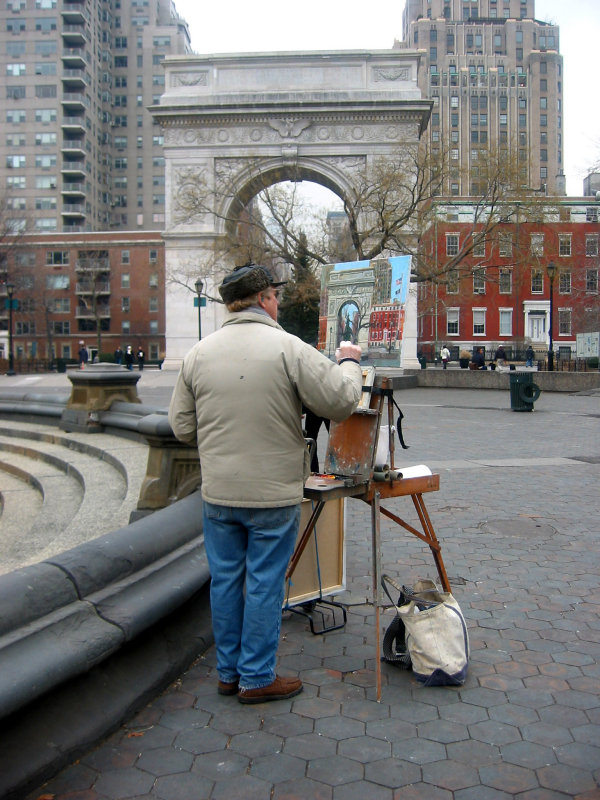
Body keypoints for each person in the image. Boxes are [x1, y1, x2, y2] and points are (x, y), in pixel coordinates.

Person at [168, 264, 363, 704]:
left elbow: (181, 427)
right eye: (275, 295)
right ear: (262, 299)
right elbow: (341, 400)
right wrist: (349, 361)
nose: (278, 302)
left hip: (219, 492)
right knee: (263, 583)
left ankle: (228, 673)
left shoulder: (199, 353)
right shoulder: (287, 347)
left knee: (224, 581)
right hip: (271, 495)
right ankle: (255, 678)